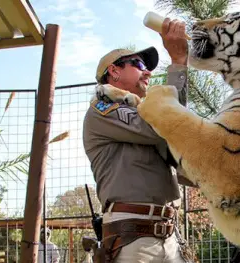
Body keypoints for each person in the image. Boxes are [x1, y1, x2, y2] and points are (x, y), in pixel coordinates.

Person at [82, 17, 195, 263]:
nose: (148, 71)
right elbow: (163, 126)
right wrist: (177, 63)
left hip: (169, 235)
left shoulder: (145, 113)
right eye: (139, 63)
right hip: (133, 238)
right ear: (114, 71)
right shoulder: (102, 110)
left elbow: (178, 134)